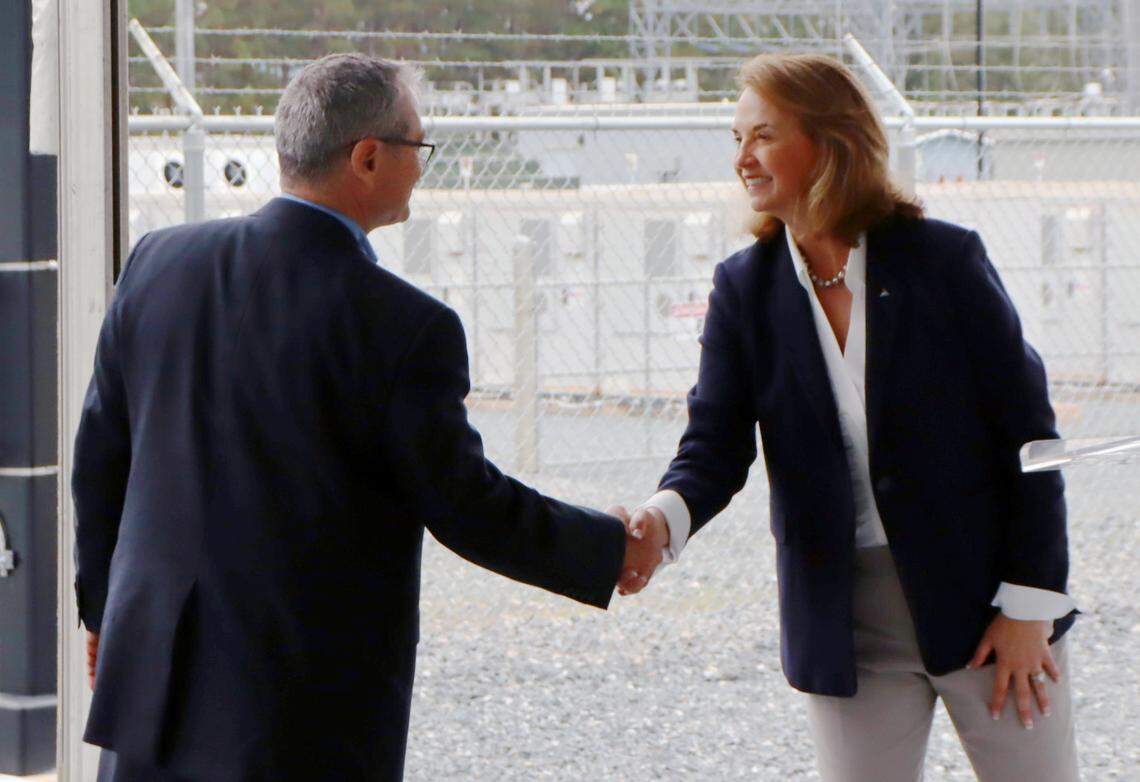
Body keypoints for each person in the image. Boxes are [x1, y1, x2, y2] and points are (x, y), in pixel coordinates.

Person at [72, 54, 667, 782]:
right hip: (295, 710)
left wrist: (105, 611)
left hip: (152, 686)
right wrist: (611, 548)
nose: (422, 166)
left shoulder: (160, 263)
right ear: (367, 157)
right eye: (418, 147)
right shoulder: (403, 325)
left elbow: (101, 457)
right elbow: (465, 503)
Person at [615, 53, 1079, 781]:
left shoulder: (945, 261)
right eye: (736, 138)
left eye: (763, 135)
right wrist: (658, 523)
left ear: (830, 141)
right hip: (843, 623)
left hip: (991, 609)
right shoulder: (743, 290)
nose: (741, 159)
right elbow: (713, 446)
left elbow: (1031, 438)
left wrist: (1030, 607)